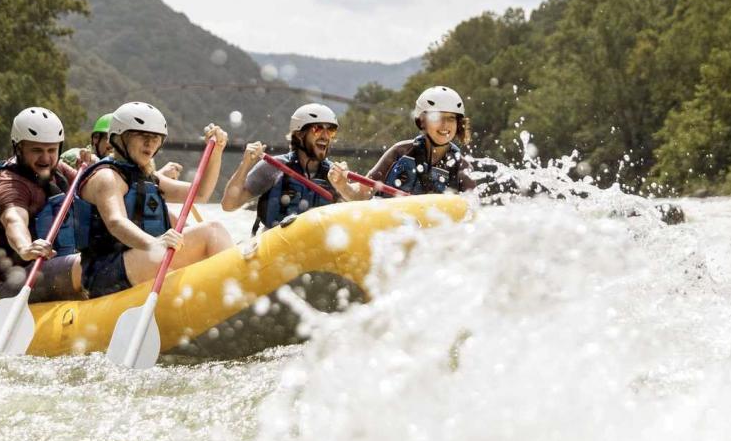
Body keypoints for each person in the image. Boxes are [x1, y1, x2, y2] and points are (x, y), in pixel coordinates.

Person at [77, 102, 233, 298]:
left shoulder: (149, 178)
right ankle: (236, 296)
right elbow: (116, 222)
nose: (150, 143)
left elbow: (200, 194)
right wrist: (154, 245)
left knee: (211, 236)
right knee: (213, 232)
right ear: (119, 138)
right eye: (142, 136)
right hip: (106, 273)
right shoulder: (107, 177)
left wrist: (217, 151)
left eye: (155, 138)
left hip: (141, 261)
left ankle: (224, 292)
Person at [0, 106, 86, 302]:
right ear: (19, 148)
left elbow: (88, 188)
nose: (45, 158)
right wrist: (25, 248)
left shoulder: (57, 169)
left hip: (51, 267)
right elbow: (13, 220)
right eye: (36, 150)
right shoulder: (6, 184)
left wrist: (98, 169)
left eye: (52, 150)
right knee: (91, 267)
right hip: (14, 282)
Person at [221, 103, 373, 233]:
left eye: (331, 131)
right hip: (274, 248)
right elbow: (229, 205)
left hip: (317, 252)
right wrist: (245, 164)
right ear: (299, 134)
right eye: (318, 129)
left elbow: (359, 202)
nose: (326, 136)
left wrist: (342, 186)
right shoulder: (272, 167)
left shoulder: (334, 174)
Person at [367, 85, 477, 194]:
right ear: (422, 121)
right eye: (437, 117)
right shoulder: (400, 152)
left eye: (451, 118)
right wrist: (348, 187)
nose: (445, 125)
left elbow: (471, 207)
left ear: (458, 124)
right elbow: (361, 193)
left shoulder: (462, 167)